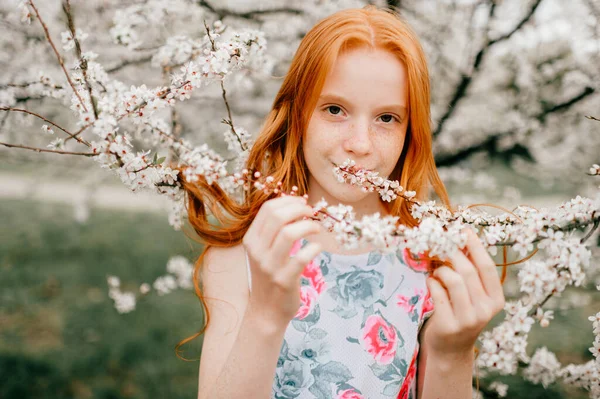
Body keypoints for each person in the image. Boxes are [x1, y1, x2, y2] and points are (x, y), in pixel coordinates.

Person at [182, 5, 506, 399]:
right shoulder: (244, 258)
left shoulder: (431, 262)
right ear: (297, 114)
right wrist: (265, 316)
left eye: (387, 118)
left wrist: (452, 354)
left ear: (412, 131)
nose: (359, 144)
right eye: (335, 110)